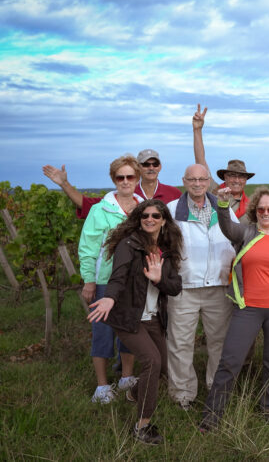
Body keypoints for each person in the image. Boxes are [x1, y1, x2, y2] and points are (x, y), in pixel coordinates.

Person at [200, 187, 269, 430]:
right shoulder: (245, 232)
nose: (266, 213)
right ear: (255, 211)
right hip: (248, 308)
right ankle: (212, 416)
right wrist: (223, 205)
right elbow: (226, 227)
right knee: (230, 361)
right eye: (261, 209)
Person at [87, 200, 183, 445]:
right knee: (152, 360)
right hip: (128, 316)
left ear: (164, 220)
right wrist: (109, 297)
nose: (150, 219)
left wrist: (159, 279)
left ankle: (132, 393)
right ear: (139, 219)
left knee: (161, 368)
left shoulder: (167, 250)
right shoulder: (128, 245)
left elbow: (175, 288)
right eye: (144, 216)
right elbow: (117, 277)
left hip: (153, 318)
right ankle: (142, 425)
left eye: (155, 215)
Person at [165, 164, 237, 410]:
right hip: (184, 287)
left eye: (202, 179)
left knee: (220, 342)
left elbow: (237, 238)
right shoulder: (172, 210)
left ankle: (216, 392)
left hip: (218, 286)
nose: (197, 184)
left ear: (209, 182)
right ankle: (182, 395)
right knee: (180, 343)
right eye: (192, 179)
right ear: (184, 181)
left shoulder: (222, 207)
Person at [78, 155, 144, 403]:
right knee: (103, 330)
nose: (125, 181)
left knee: (129, 328)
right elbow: (88, 248)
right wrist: (89, 280)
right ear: (113, 179)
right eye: (120, 177)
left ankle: (126, 377)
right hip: (104, 280)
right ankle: (102, 386)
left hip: (134, 280)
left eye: (130, 177)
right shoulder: (99, 210)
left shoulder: (143, 207)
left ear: (137, 179)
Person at [42, 149, 181, 220]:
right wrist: (64, 184)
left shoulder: (175, 194)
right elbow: (86, 205)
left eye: (154, 164)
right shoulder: (125, 193)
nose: (151, 167)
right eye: (146, 164)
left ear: (160, 166)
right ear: (138, 168)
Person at [192, 104, 255, 220]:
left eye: (241, 177)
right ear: (225, 177)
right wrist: (197, 130)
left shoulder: (252, 206)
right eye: (232, 176)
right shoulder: (215, 192)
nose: (236, 180)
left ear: (246, 180)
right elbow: (200, 162)